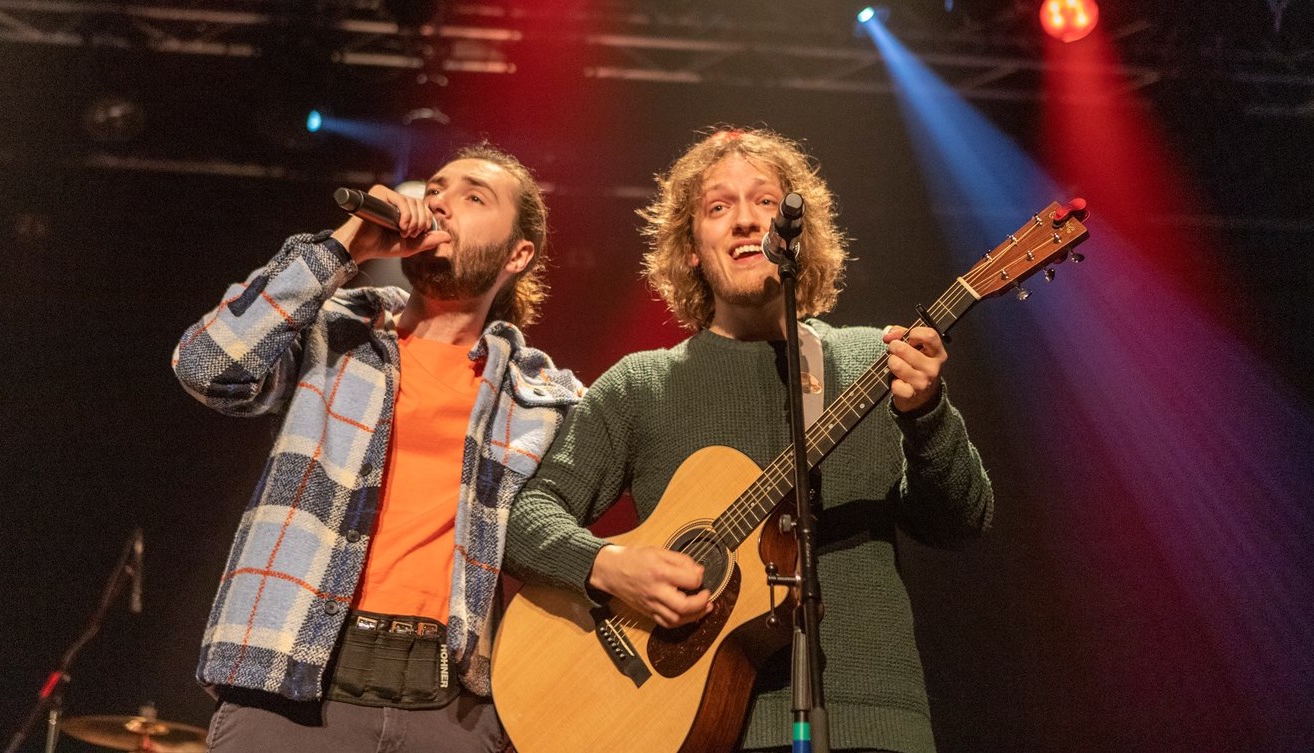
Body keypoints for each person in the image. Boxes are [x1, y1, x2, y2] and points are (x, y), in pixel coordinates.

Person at [503, 128, 993, 753]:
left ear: (798, 232)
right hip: (694, 727)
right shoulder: (644, 385)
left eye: (766, 202)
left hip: (874, 720)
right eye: (718, 206)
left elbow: (962, 522)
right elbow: (522, 518)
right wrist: (613, 568)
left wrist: (927, 415)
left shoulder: (876, 359)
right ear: (690, 249)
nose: (744, 221)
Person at [172, 144, 582, 753]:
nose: (440, 202)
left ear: (518, 254)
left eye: (474, 197)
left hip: (454, 711)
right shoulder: (329, 330)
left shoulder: (545, 397)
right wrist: (346, 247)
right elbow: (208, 367)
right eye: (436, 189)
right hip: (289, 686)